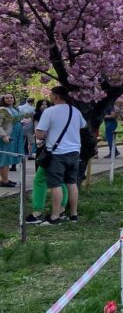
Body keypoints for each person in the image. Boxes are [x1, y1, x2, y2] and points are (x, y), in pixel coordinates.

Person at [35, 86, 86, 225]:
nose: (50, 97)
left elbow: (39, 133)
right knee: (71, 183)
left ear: (56, 96)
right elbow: (83, 125)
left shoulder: (49, 111)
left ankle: (55, 216)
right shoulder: (74, 110)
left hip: (57, 153)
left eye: (51, 95)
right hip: (74, 151)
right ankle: (74, 214)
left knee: (55, 184)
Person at [0, 94, 26, 187]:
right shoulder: (2, 110)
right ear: (3, 99)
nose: (9, 99)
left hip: (15, 136)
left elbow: (13, 122)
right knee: (4, 158)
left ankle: (5, 179)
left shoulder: (15, 109)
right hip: (6, 137)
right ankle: (4, 181)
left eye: (11, 97)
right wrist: (3, 136)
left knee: (8, 158)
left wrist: (21, 123)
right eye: (6, 98)